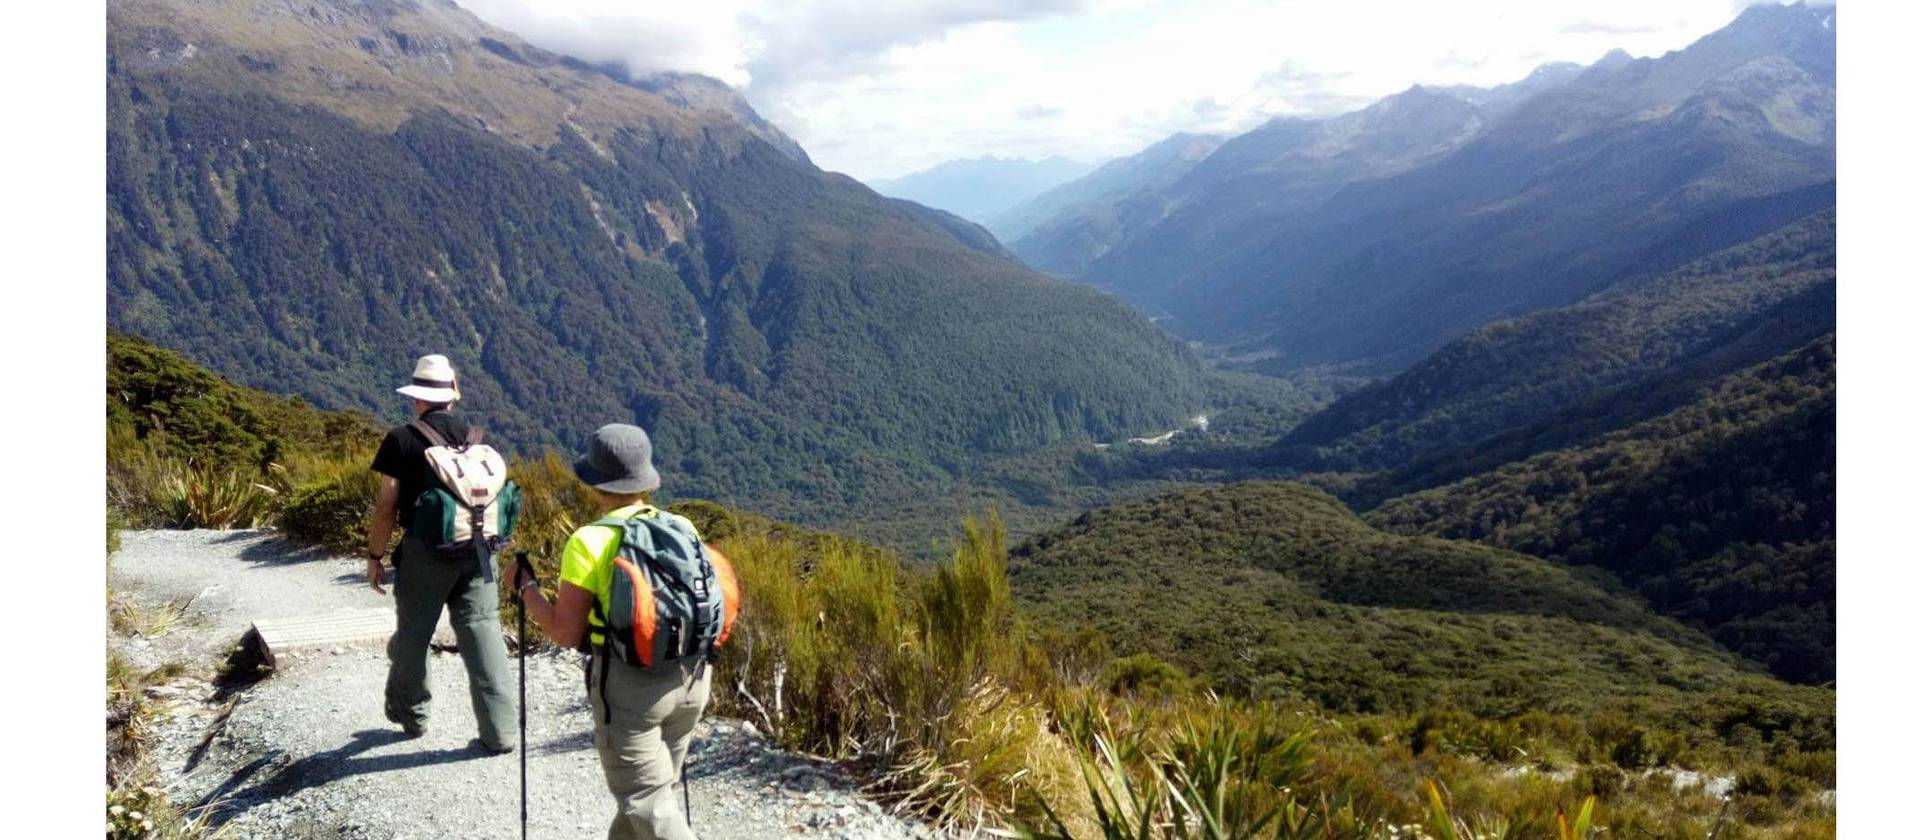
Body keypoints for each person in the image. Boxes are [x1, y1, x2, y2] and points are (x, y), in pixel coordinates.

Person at [517, 423, 721, 840]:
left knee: (648, 803)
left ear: (595, 483)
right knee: (648, 799)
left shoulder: (589, 541)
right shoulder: (683, 526)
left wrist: (525, 589)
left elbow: (562, 630)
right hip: (693, 678)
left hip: (629, 690)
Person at [365, 353, 517, 753]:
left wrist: (374, 556)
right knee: (484, 634)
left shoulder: (401, 439)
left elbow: (386, 507)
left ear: (416, 397)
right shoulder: (478, 438)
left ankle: (412, 717)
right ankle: (500, 732)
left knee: (414, 636)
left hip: (425, 555)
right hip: (480, 551)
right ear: (452, 395)